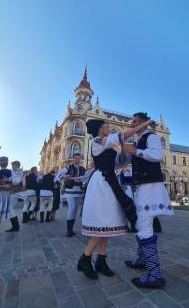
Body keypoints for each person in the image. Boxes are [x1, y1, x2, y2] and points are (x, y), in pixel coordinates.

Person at [77, 118, 153, 279]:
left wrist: (125, 151)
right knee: (102, 222)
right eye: (106, 127)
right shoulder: (97, 141)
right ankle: (85, 258)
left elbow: (119, 163)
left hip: (110, 181)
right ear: (99, 129)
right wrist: (142, 126)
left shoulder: (107, 144)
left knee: (108, 221)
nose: (108, 128)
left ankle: (101, 260)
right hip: (102, 183)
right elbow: (119, 137)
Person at [123, 112, 174, 289]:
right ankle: (143, 260)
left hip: (150, 186)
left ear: (145, 123)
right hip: (143, 186)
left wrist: (136, 151)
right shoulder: (139, 141)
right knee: (141, 224)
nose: (133, 124)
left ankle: (155, 274)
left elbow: (158, 155)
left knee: (144, 225)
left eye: (136, 122)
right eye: (132, 122)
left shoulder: (151, 136)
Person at [58, 153, 86, 237]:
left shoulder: (82, 169)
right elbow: (60, 175)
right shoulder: (68, 167)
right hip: (70, 190)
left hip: (78, 191)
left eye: (78, 158)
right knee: (72, 208)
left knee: (75, 210)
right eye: (76, 158)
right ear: (73, 159)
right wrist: (65, 176)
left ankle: (71, 229)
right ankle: (68, 230)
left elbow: (85, 177)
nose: (77, 159)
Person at [5, 160, 23, 232]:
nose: (12, 167)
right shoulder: (17, 172)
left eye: (12, 165)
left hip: (15, 192)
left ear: (16, 165)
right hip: (15, 192)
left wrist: (8, 179)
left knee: (10, 209)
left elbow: (16, 181)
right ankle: (15, 227)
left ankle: (16, 227)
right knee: (10, 209)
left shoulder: (17, 172)